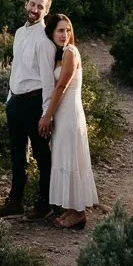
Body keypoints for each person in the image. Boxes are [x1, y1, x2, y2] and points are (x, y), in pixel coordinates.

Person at [1, 0, 56, 219]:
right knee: (17, 153)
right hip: (15, 102)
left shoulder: (45, 40)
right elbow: (16, 68)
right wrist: (9, 98)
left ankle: (45, 203)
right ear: (26, 4)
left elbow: (47, 79)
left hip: (35, 102)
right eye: (32, 4)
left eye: (40, 7)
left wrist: (46, 114)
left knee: (42, 154)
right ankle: (15, 200)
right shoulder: (19, 33)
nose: (35, 10)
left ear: (46, 11)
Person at [39, 14, 97, 230]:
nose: (65, 35)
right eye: (60, 31)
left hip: (70, 113)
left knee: (71, 158)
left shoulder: (71, 52)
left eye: (68, 30)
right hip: (62, 113)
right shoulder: (60, 54)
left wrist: (46, 117)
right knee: (65, 156)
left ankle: (79, 212)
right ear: (52, 33)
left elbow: (61, 87)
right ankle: (72, 209)